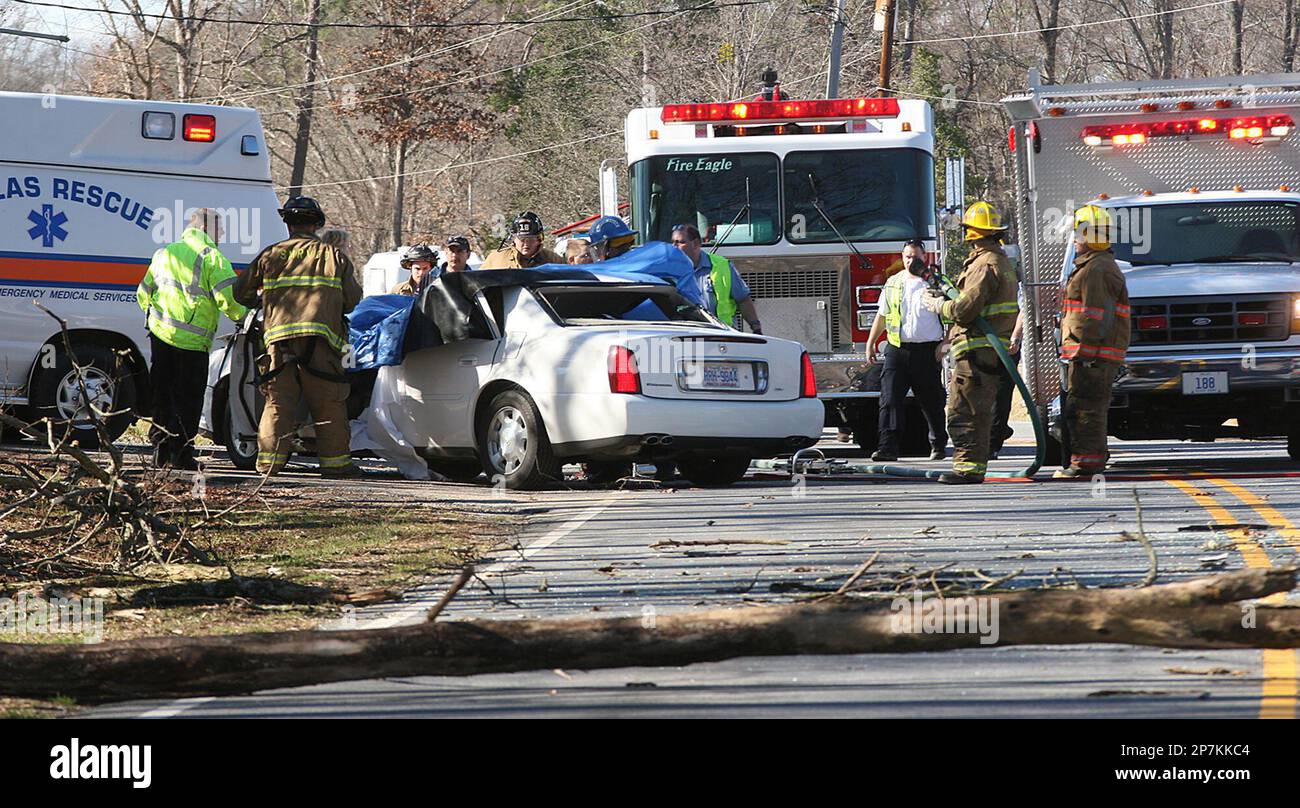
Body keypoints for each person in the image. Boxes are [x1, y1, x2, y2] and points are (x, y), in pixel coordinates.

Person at [232, 196, 363, 477]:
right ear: (316, 224)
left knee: (278, 402)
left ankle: (268, 465)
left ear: (288, 224)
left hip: (279, 342)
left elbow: (240, 292)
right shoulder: (333, 255)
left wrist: (264, 301)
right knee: (328, 402)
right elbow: (352, 300)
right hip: (322, 341)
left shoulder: (271, 255)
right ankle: (336, 466)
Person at [136, 208, 246, 470]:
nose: (222, 235)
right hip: (192, 343)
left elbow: (143, 292)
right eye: (220, 230)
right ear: (207, 228)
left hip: (161, 337)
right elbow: (229, 300)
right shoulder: (212, 258)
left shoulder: (164, 253)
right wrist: (247, 317)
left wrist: (157, 320)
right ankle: (181, 454)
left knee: (163, 396)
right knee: (188, 399)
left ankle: (160, 452)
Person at [921, 201, 1020, 485]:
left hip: (977, 350)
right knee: (976, 406)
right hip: (984, 349)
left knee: (964, 408)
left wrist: (938, 306)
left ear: (971, 233)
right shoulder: (997, 260)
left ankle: (968, 469)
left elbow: (965, 309)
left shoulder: (984, 264)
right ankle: (972, 466)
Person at [1055, 204, 1130, 478]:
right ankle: (1087, 460)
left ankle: (1086, 465)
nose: (1074, 239)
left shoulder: (1096, 270)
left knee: (1087, 409)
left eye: (1078, 234)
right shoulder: (1094, 266)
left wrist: (1084, 354)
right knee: (1084, 407)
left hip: (1092, 357)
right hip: (1090, 354)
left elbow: (1095, 317)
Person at [864, 239, 948, 462]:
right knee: (889, 399)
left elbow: (955, 316)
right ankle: (887, 447)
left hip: (927, 351)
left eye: (915, 256)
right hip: (897, 350)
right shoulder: (893, 282)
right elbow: (882, 315)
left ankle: (938, 443)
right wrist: (871, 342)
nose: (911, 260)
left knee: (931, 401)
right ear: (902, 258)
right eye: (907, 256)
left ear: (925, 257)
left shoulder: (937, 282)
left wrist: (946, 344)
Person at [670, 224, 762, 333]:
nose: (673, 247)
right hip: (687, 336)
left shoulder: (722, 266)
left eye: (680, 242)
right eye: (672, 242)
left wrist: (756, 328)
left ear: (696, 244)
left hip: (723, 336)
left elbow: (743, 299)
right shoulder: (669, 271)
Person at [480, 211, 564, 269]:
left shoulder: (554, 260)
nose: (526, 244)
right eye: (522, 239)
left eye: (531, 239)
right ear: (513, 239)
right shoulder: (496, 259)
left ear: (539, 239)